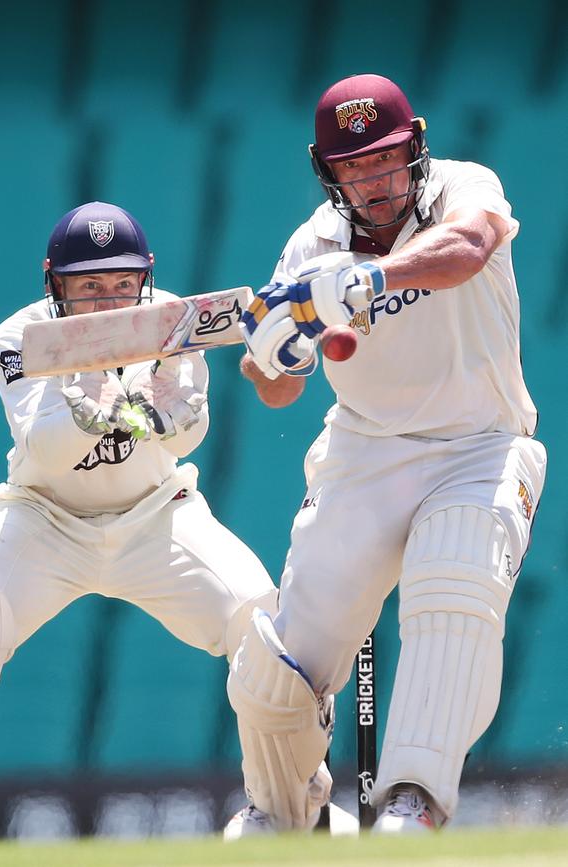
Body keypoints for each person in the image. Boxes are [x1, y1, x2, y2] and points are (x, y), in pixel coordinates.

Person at [225, 73, 547, 836]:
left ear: (416, 149)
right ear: (329, 172)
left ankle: (412, 802)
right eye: (354, 166)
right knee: (281, 667)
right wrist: (277, 356)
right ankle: (288, 816)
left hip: (480, 444)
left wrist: (362, 281)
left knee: (453, 591)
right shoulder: (310, 246)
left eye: (387, 158)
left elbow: (468, 248)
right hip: (365, 452)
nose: (374, 179)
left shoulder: (466, 188)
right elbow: (273, 387)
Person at [0, 201, 278, 843]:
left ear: (145, 278)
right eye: (89, 287)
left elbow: (189, 434)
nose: (111, 303)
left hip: (156, 516)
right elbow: (50, 448)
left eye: (122, 284)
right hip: (44, 521)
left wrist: (166, 412)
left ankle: (285, 811)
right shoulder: (18, 338)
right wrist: (89, 390)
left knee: (261, 614)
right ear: (54, 285)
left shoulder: (175, 320)